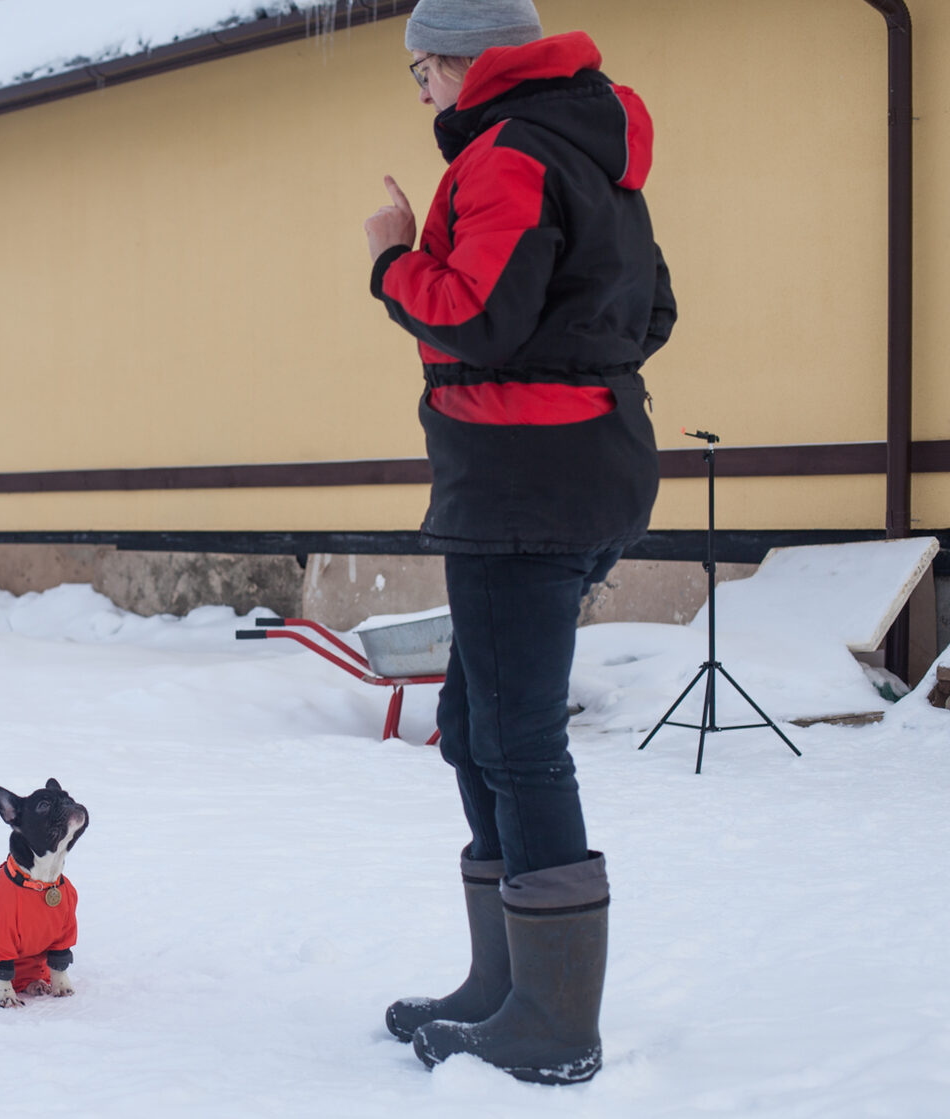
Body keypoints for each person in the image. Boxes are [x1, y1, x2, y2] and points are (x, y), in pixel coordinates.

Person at [362, 0, 675, 1086]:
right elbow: (655, 313)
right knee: (471, 725)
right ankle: (504, 987)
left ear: (466, 63)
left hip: (521, 482)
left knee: (516, 737)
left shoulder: (509, 156)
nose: (422, 94)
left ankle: (550, 1023)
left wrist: (394, 259)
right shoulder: (598, 148)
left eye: (423, 73)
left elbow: (474, 315)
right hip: (580, 467)